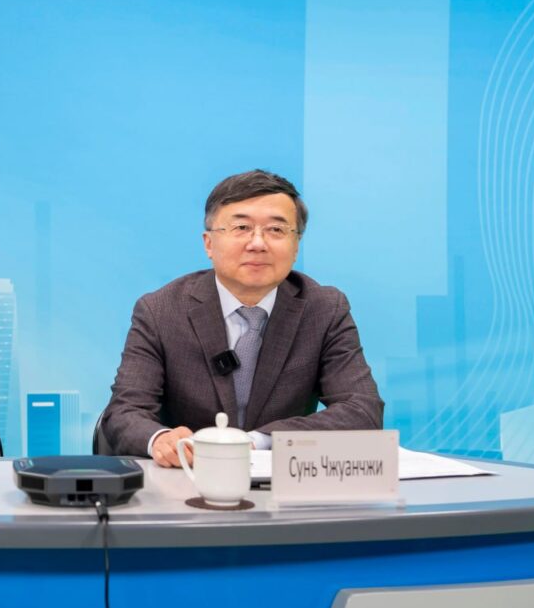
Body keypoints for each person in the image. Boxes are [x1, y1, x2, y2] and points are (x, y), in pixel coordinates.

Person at [102, 169, 383, 466]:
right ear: (209, 243)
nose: (258, 243)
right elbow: (124, 412)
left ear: (296, 245)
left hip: (283, 483)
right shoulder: (161, 311)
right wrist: (161, 440)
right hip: (187, 477)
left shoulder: (324, 309)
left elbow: (362, 410)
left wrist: (257, 442)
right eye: (241, 228)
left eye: (276, 230)